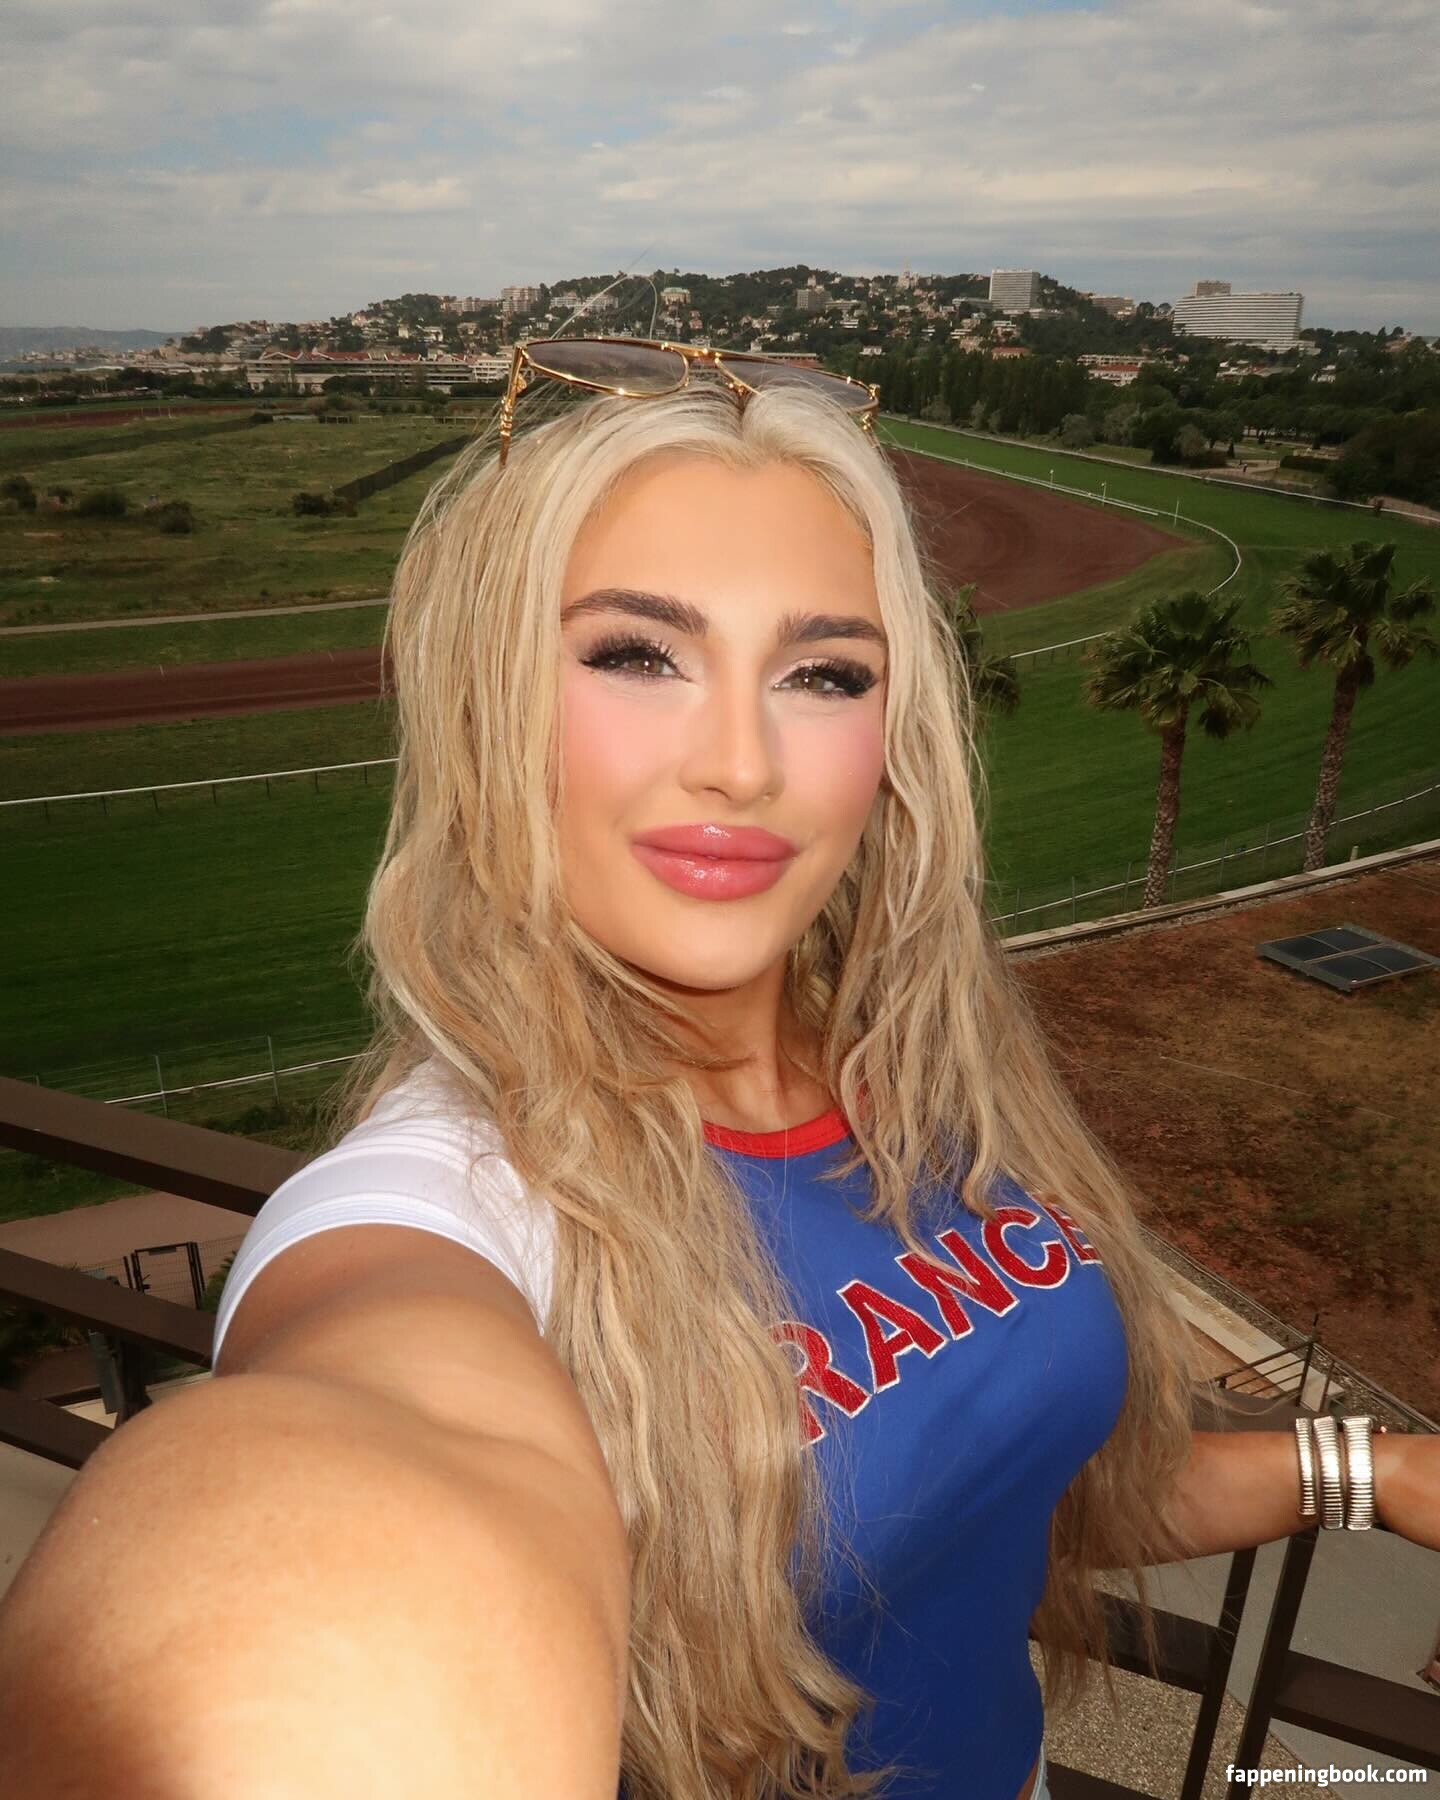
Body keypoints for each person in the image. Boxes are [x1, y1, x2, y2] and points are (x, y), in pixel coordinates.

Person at [1, 349, 1436, 1800]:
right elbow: (351, 1493)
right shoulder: (452, 1201)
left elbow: (1006, 1481)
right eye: (637, 654)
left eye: (823, 673)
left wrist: (1367, 1471)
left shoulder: (933, 1079)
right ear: (488, 702)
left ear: (895, 736)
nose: (742, 763)